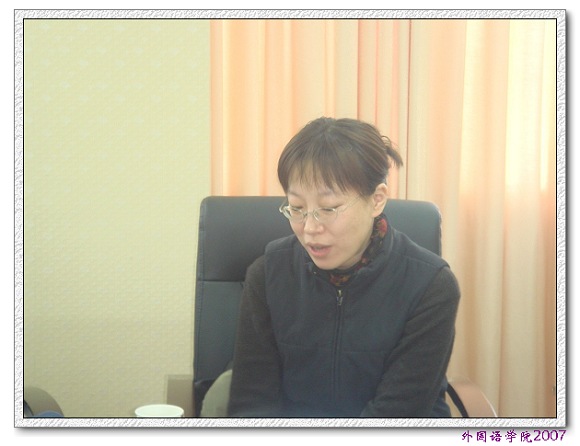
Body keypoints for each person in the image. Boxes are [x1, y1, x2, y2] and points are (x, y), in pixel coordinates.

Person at [226, 117, 460, 417]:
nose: (309, 228)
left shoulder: (430, 285)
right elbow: (253, 403)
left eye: (328, 209)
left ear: (376, 200)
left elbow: (398, 412)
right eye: (297, 208)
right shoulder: (268, 275)